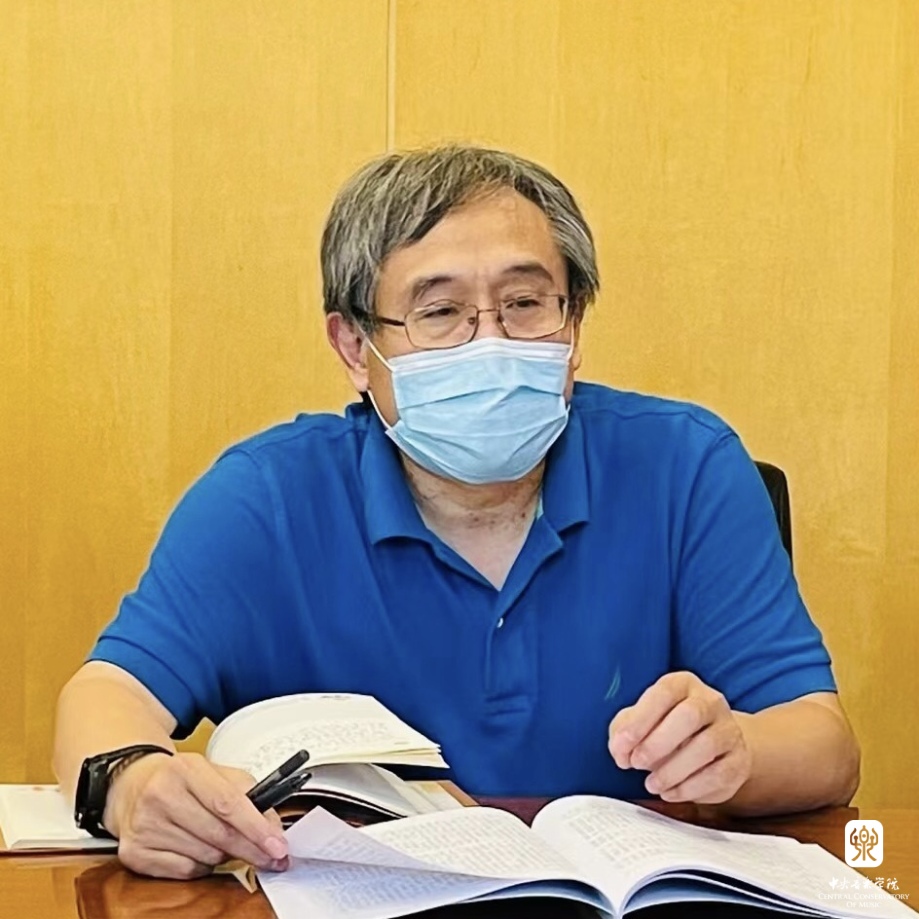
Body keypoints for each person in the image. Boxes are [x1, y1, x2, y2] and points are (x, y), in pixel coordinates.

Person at [53, 145, 859, 880]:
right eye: (439, 313)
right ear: (354, 348)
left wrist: (737, 752)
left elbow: (825, 746)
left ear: (573, 324)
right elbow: (107, 692)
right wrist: (134, 784)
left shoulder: (685, 465)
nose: (490, 344)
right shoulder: (264, 497)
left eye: (525, 302)